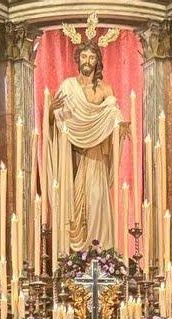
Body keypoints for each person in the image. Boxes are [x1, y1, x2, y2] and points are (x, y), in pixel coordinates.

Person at [48, 14, 126, 251]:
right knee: (74, 207)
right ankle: (75, 255)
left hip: (96, 156)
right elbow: (57, 122)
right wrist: (50, 112)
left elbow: (113, 113)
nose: (87, 60)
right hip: (73, 156)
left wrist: (120, 126)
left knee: (97, 200)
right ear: (78, 59)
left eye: (92, 57)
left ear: (97, 61)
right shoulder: (67, 87)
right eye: (84, 56)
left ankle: (100, 252)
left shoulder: (105, 88)